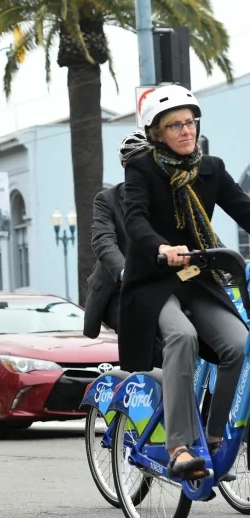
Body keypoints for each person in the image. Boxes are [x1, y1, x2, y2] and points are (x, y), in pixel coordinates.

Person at [120, 84, 250, 481]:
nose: (185, 130)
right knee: (182, 337)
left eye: (190, 122)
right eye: (175, 125)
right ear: (157, 132)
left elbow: (244, 208)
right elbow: (135, 220)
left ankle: (213, 440)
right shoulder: (142, 168)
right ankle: (178, 447)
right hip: (154, 282)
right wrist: (162, 247)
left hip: (199, 279)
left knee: (239, 345)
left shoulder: (210, 169)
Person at [83, 131, 149, 337]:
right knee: (144, 332)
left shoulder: (165, 196)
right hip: (118, 290)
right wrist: (124, 272)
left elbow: (196, 231)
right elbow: (103, 240)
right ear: (126, 167)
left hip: (158, 285)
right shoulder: (107, 200)